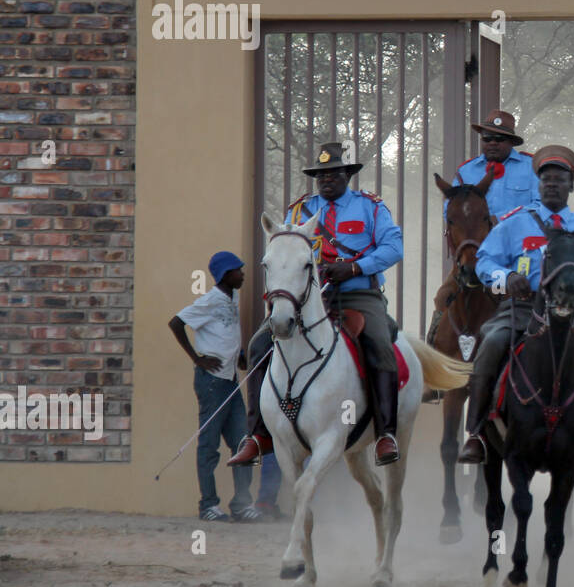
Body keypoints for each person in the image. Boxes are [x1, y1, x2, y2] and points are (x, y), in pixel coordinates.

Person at [229, 142, 405, 468]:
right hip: (310, 298)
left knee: (379, 344)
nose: (327, 179)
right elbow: (283, 254)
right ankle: (257, 435)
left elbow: (394, 248)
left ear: (347, 175)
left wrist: (354, 267)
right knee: (258, 346)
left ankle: (385, 434)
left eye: (334, 173)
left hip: (358, 294)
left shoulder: (371, 207)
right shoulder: (298, 212)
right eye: (320, 174)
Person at [456, 145, 574, 480]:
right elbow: (486, 261)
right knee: (490, 343)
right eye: (546, 179)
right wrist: (508, 277)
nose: (552, 184)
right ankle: (475, 434)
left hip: (573, 312)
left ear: (570, 186)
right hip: (521, 309)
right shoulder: (514, 223)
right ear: (539, 184)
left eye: (559, 179)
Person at [168, 251, 260, 522]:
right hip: (212, 383)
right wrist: (197, 358)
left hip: (231, 380)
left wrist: (239, 353)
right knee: (209, 446)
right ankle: (208, 505)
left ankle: (241, 505)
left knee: (243, 442)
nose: (242, 274)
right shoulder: (208, 301)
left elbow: (226, 332)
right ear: (224, 275)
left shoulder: (233, 298)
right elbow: (176, 323)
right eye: (238, 270)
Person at [448, 108, 539, 220]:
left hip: (519, 235)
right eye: (487, 138)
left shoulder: (532, 168)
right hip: (478, 236)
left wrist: (500, 219)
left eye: (499, 139)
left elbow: (541, 206)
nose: (492, 143)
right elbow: (449, 209)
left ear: (511, 142)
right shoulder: (465, 171)